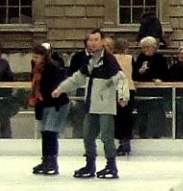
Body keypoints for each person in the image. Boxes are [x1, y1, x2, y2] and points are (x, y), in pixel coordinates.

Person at [52, 28, 128, 179]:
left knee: (106, 136)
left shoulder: (108, 60)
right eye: (90, 40)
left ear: (101, 42)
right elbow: (77, 79)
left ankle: (111, 166)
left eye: (96, 40)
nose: (93, 43)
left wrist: (122, 96)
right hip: (91, 105)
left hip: (105, 105)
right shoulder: (89, 61)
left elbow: (120, 78)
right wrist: (60, 89)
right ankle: (90, 164)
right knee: (88, 136)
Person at [28, 42, 69, 175]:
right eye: (34, 57)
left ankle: (52, 162)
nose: (35, 60)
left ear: (44, 57)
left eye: (37, 57)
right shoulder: (36, 69)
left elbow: (56, 87)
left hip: (56, 104)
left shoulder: (52, 69)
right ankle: (46, 160)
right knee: (45, 132)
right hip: (44, 104)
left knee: (51, 132)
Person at [133, 36, 169, 139]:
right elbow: (135, 73)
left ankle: (157, 134)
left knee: (156, 114)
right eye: (143, 47)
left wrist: (159, 79)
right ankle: (142, 134)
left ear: (154, 47)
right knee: (142, 113)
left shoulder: (160, 58)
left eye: (147, 47)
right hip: (143, 91)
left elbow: (165, 74)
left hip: (156, 91)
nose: (145, 50)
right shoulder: (140, 58)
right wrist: (139, 72)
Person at [105, 36, 136, 156]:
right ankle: (126, 141)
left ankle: (120, 141)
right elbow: (135, 73)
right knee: (126, 117)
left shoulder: (111, 58)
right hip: (128, 88)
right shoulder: (130, 58)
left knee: (117, 117)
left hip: (115, 89)